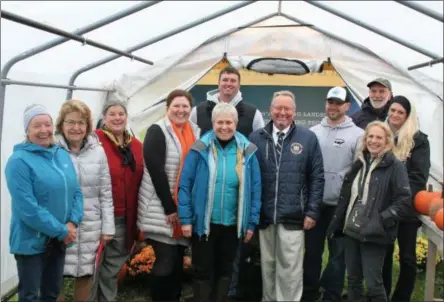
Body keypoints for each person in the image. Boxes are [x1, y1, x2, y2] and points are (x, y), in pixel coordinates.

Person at [178, 102, 262, 302]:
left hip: (232, 225)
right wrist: (186, 219)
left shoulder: (248, 151)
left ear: (236, 123)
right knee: (202, 271)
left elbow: (256, 189)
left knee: (226, 271)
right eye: (220, 122)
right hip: (204, 224)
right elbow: (185, 185)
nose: (225, 127)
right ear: (213, 123)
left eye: (229, 122)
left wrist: (251, 223)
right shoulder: (199, 149)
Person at [248, 90, 325, 301]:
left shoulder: (308, 138)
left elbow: (317, 177)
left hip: (294, 216)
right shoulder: (256, 138)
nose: (283, 112)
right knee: (268, 266)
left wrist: (311, 211)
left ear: (294, 111)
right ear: (270, 110)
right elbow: (248, 178)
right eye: (278, 108)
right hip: (265, 216)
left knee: (290, 269)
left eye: (287, 108)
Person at [5, 104, 83, 302]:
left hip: (58, 239)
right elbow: (27, 208)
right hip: (31, 241)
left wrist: (73, 222)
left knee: (52, 292)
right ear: (27, 130)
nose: (43, 131)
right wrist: (61, 230)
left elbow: (76, 190)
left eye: (47, 125)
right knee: (31, 296)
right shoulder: (19, 161)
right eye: (36, 126)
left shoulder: (61, 155)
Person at [327, 121, 412, 302]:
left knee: (373, 285)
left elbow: (404, 201)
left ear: (387, 141)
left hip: (374, 234)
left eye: (379, 137)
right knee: (353, 281)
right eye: (370, 137)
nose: (374, 141)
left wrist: (380, 221)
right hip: (351, 231)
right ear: (365, 140)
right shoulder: (360, 162)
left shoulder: (395, 166)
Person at [137, 89, 200, 302]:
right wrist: (170, 208)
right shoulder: (158, 130)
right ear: (168, 108)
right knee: (165, 262)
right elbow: (156, 171)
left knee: (177, 263)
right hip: (161, 209)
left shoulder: (195, 131)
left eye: (185, 107)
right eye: (176, 106)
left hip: (184, 208)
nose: (181, 110)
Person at [303, 87, 364, 301]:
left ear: (347, 106)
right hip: (314, 204)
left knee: (338, 255)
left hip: (341, 205)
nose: (333, 106)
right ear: (325, 103)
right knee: (311, 253)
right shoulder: (312, 132)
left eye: (338, 103)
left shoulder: (358, 135)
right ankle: (309, 293)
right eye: (330, 102)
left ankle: (331, 294)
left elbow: (360, 171)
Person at [54, 100, 115, 302]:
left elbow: (106, 192)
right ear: (61, 124)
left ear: (88, 126)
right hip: (61, 225)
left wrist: (108, 227)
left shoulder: (98, 151)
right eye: (70, 122)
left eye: (81, 123)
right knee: (55, 276)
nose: (76, 128)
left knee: (86, 274)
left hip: (90, 224)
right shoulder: (53, 151)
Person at [91, 100, 144, 301]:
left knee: (112, 268)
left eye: (121, 113)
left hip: (124, 217)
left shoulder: (136, 145)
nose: (117, 118)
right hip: (97, 217)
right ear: (104, 118)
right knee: (92, 267)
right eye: (112, 114)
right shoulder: (94, 141)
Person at [382, 96, 431, 301]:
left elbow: (418, 177)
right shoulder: (380, 135)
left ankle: (401, 297)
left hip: (407, 209)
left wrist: (399, 201)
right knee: (383, 255)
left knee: (407, 257)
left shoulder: (418, 140)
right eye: (392, 110)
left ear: (407, 116)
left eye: (400, 112)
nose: (395, 115)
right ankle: (381, 295)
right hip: (383, 207)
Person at [190, 65, 264, 137]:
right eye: (225, 80)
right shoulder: (197, 112)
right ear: (218, 83)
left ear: (239, 85)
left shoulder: (254, 114)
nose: (228, 84)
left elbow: (260, 141)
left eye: (233, 81)